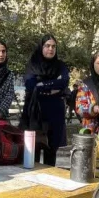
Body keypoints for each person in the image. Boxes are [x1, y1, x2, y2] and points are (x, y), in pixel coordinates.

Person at [20, 34, 70, 165]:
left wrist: (41, 85)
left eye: (53, 46)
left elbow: (64, 82)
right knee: (33, 150)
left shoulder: (60, 66)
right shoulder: (33, 64)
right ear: (41, 47)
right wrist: (53, 86)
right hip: (36, 111)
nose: (51, 49)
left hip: (55, 111)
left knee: (52, 151)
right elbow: (30, 84)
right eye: (47, 46)